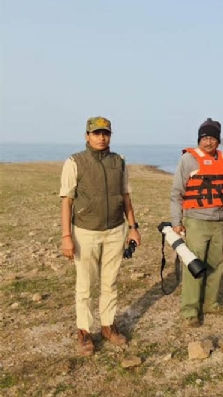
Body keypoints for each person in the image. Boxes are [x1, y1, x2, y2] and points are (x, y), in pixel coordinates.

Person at [59, 117, 141, 356]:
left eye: (105, 133)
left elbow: (126, 197)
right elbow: (67, 201)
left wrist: (133, 227)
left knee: (110, 282)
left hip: (116, 230)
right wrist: (66, 236)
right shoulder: (75, 162)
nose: (101, 137)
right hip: (85, 232)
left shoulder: (119, 162)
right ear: (87, 136)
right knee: (85, 286)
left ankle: (108, 326)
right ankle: (84, 331)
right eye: (96, 133)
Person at [170, 119, 223, 323]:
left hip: (218, 222)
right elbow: (176, 192)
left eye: (212, 138)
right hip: (196, 221)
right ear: (199, 139)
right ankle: (190, 310)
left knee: (216, 264)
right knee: (194, 265)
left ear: (218, 141)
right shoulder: (188, 160)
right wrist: (176, 221)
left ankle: (210, 303)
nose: (208, 142)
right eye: (205, 138)